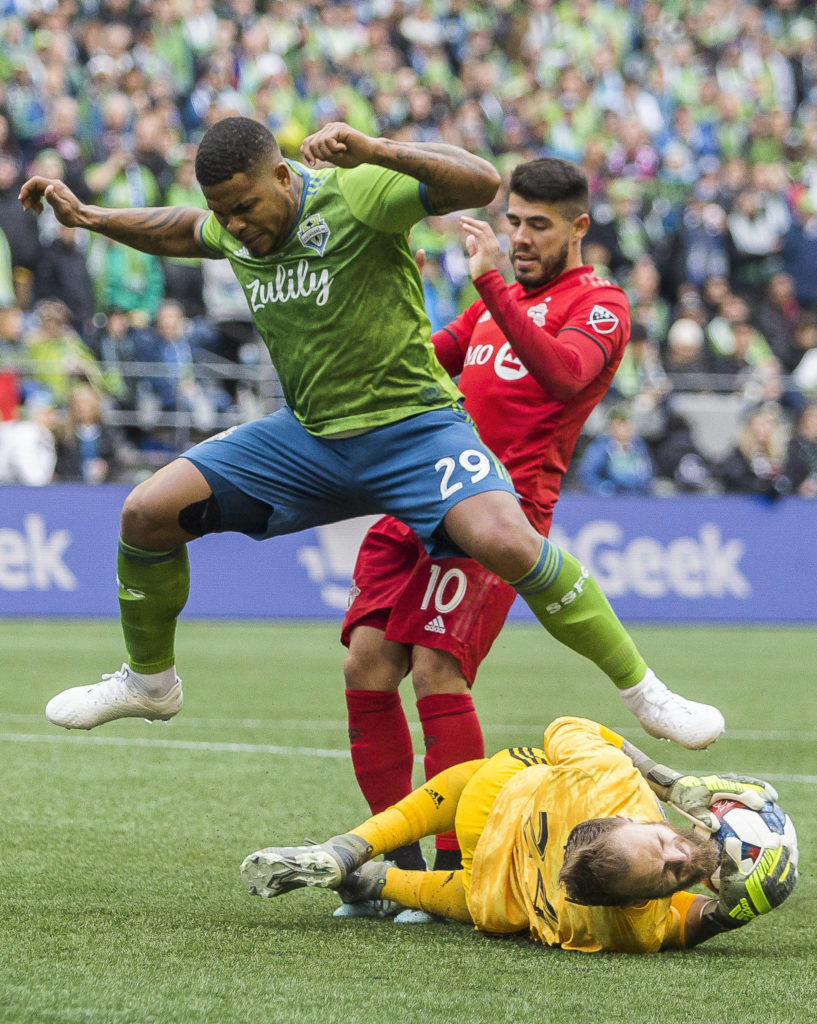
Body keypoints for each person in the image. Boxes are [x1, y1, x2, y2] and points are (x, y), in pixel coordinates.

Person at [19, 118, 723, 749]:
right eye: (222, 212)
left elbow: (478, 182)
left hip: (414, 431)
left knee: (508, 542)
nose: (233, 225)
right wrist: (90, 217)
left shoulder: (356, 196)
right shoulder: (230, 225)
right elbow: (179, 228)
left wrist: (377, 150)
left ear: (285, 178)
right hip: (310, 439)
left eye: (244, 207)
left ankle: (645, 692)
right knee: (146, 511)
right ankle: (150, 683)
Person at [339, 158, 720, 907]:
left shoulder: (599, 304)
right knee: (364, 667)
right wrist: (390, 291)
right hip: (418, 494)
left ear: (578, 227)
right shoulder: (490, 305)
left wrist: (489, 285)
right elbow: (418, 360)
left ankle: (454, 869)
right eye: (513, 221)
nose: (518, 237)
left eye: (537, 226)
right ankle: (387, 866)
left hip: (497, 514)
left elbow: (563, 377)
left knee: (435, 672)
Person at [239, 716, 797, 953]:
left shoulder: (610, 783)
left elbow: (569, 727)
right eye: (674, 860)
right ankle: (370, 881)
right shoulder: (628, 929)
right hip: (496, 902)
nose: (680, 853)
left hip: (492, 808)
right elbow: (682, 926)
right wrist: (730, 914)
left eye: (668, 860)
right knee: (435, 893)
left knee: (488, 774)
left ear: (630, 821)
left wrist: (671, 785)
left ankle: (351, 849)